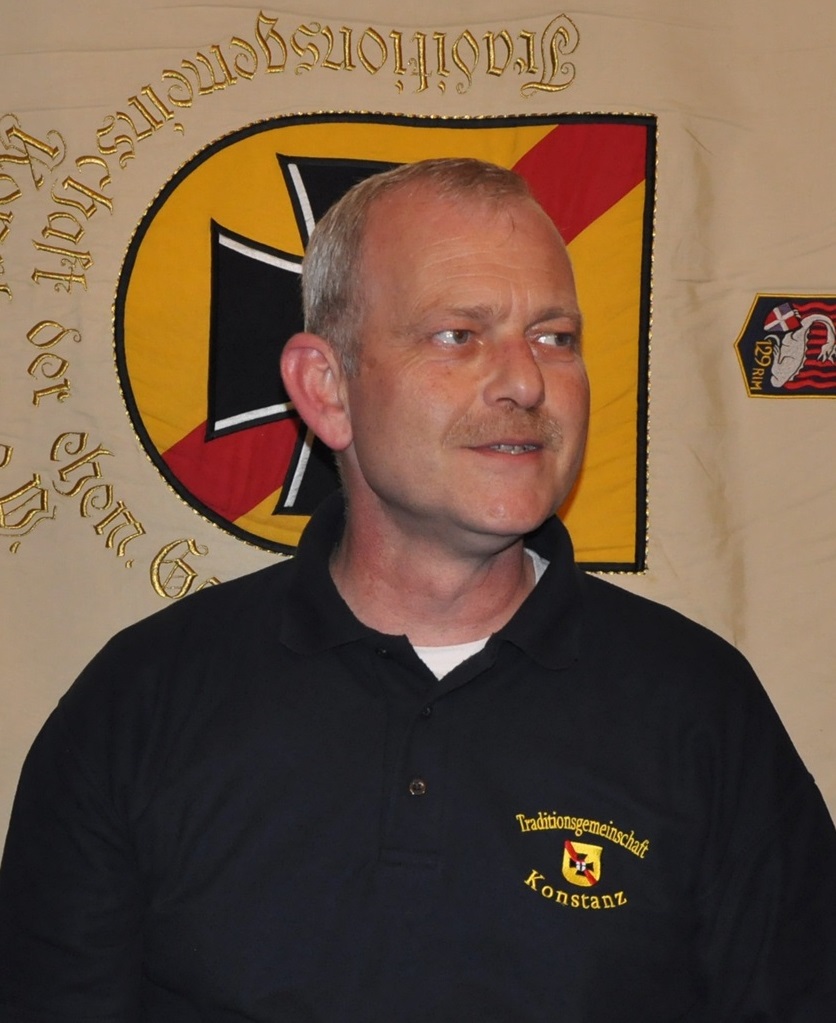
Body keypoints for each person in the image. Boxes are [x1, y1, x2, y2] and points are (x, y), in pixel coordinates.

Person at [1, 158, 834, 1022]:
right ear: (327, 389)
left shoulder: (700, 706)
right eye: (458, 335)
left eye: (555, 337)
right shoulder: (141, 702)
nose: (526, 381)